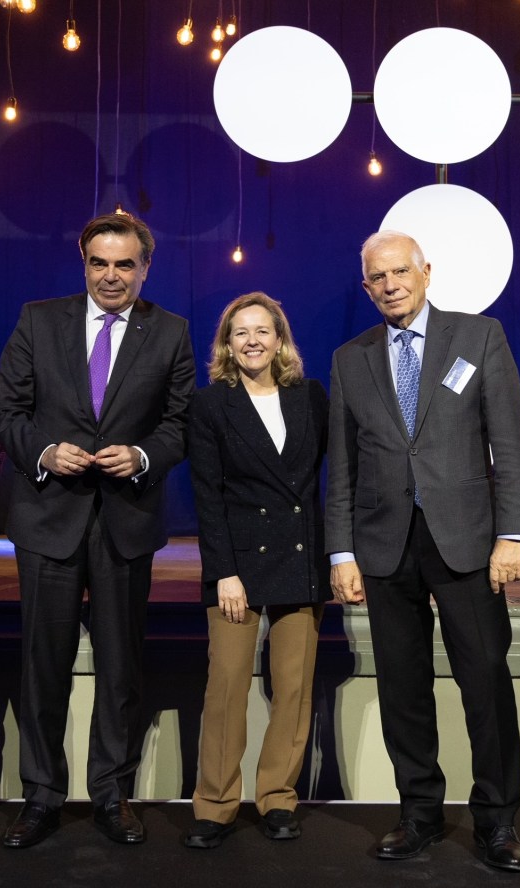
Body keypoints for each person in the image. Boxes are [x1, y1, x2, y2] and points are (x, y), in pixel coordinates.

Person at [325, 231, 520, 873]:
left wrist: (512, 534)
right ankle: (418, 813)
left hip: (468, 541)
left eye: (399, 272)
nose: (389, 285)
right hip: (384, 547)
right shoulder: (349, 358)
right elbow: (342, 466)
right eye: (376, 278)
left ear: (425, 273)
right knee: (403, 688)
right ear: (366, 287)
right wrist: (341, 553)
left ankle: (496, 823)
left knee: (484, 683)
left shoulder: (479, 337)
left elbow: (511, 442)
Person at [0, 212, 195, 848]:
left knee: (120, 668)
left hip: (125, 526)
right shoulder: (37, 319)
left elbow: (181, 423)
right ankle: (41, 797)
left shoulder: (171, 332)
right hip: (48, 520)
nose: (111, 275)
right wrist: (44, 452)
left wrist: (141, 458)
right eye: (99, 263)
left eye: (124, 264)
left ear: (144, 268)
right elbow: (7, 411)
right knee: (41, 667)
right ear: (84, 264)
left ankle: (112, 795)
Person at [183, 292, 330, 850]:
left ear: (280, 339)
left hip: (300, 556)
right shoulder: (210, 405)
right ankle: (216, 804)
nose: (251, 341)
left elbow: (328, 477)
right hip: (237, 566)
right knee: (226, 688)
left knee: (293, 689)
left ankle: (277, 799)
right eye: (239, 332)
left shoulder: (310, 397)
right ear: (226, 344)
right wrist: (224, 571)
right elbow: (208, 495)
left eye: (262, 331)